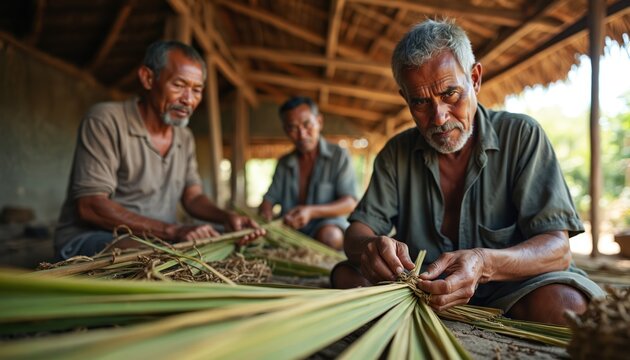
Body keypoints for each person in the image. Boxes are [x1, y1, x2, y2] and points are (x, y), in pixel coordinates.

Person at [331, 19, 604, 326]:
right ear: (405, 98)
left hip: (509, 286)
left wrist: (485, 263)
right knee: (346, 277)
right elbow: (357, 231)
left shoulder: (522, 136)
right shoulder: (396, 153)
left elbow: (557, 249)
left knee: (566, 306)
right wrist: (370, 248)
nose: (438, 117)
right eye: (420, 102)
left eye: (450, 94)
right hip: (421, 291)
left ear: (474, 79)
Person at [54, 40, 264, 259]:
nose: (188, 100)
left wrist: (225, 217)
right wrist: (174, 231)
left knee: (232, 240)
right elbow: (90, 206)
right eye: (179, 85)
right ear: (148, 78)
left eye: (197, 90)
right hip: (96, 237)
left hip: (160, 238)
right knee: (157, 258)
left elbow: (192, 198)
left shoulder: (184, 137)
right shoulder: (106, 120)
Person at [258, 97, 358, 250]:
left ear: (319, 121)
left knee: (330, 237)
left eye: (307, 124)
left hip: (325, 225)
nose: (302, 134)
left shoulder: (339, 156)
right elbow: (270, 198)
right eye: (293, 128)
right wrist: (266, 212)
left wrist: (311, 212)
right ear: (286, 130)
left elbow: (350, 203)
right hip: (290, 228)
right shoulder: (284, 163)